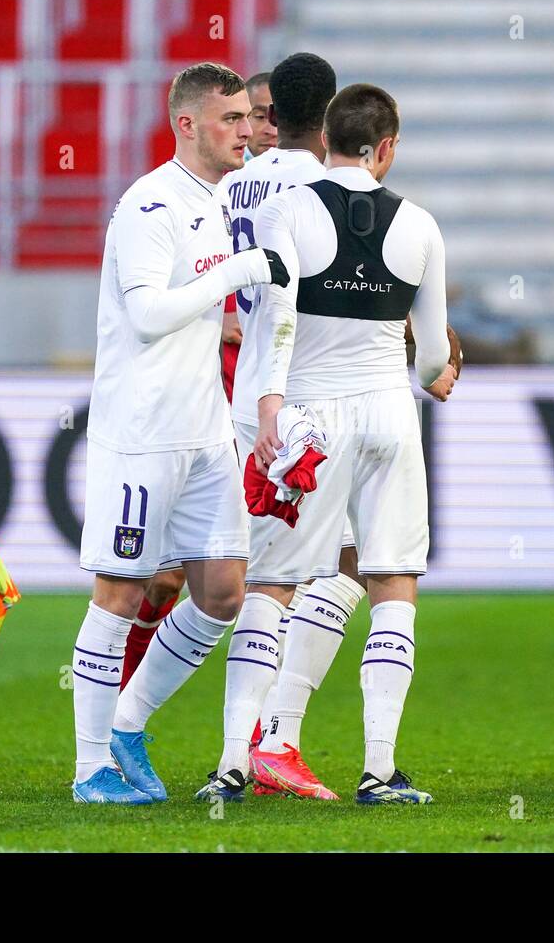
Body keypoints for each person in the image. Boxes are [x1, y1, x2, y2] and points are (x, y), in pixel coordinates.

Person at [69, 61, 290, 804]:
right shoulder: (149, 203)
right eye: (230, 119)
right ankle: (90, 767)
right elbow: (147, 313)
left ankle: (128, 723)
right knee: (121, 590)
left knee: (224, 592)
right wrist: (239, 274)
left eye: (248, 118)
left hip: (203, 429)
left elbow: (193, 307)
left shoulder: (222, 199)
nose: (246, 130)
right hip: (142, 430)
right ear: (187, 124)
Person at [242, 82, 457, 805]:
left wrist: (272, 402)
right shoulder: (421, 225)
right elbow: (430, 359)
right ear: (387, 147)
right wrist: (439, 370)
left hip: (312, 417)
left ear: (324, 139)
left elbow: (275, 319)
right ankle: (379, 769)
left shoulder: (285, 210)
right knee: (392, 580)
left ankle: (242, 756)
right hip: (390, 414)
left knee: (274, 582)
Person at [204, 52, 368, 801]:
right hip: (315, 400)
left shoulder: (231, 186)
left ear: (272, 115)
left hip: (249, 400)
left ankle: (259, 743)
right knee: (322, 571)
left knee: (273, 575)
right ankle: (264, 743)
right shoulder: (337, 191)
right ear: (333, 114)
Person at [243, 71, 279, 159]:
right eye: (260, 117)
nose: (273, 132)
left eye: (281, 119)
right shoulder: (219, 170)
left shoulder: (312, 170)